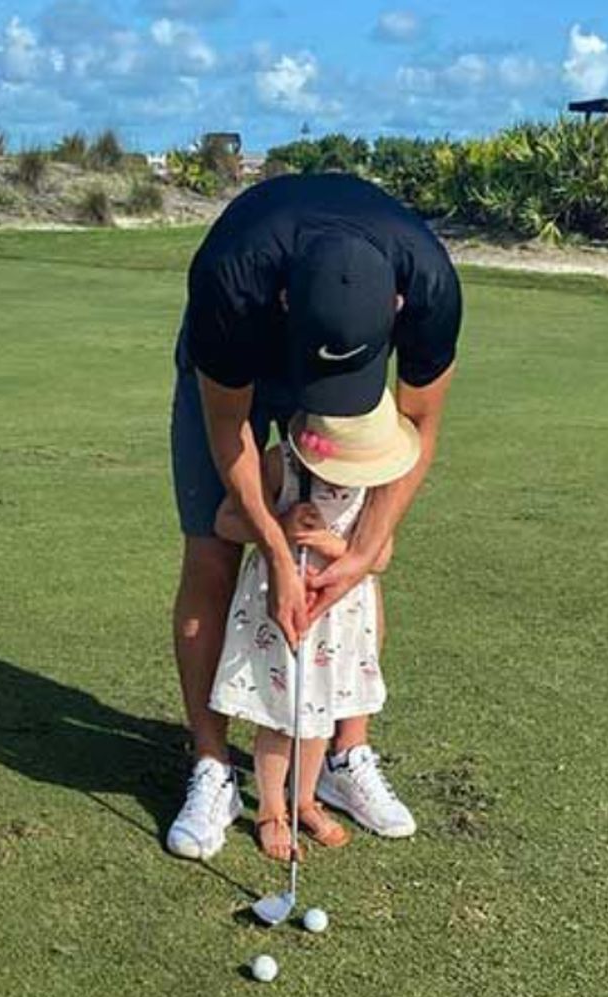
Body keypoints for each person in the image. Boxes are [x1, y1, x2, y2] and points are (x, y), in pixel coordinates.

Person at [167, 171, 461, 862]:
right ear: (285, 298)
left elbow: (418, 423)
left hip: (343, 370)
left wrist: (361, 551)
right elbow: (228, 426)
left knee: (354, 563)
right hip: (240, 371)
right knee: (212, 551)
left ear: (395, 305)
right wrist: (272, 548)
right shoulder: (231, 281)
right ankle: (211, 766)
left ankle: (342, 760)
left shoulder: (430, 285)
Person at [209, 389, 419, 859]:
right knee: (282, 718)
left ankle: (304, 800)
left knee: (323, 713)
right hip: (282, 614)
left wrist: (330, 542)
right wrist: (279, 525)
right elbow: (226, 522)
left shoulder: (373, 479)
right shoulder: (279, 464)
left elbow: (380, 556)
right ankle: (270, 810)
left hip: (340, 620)